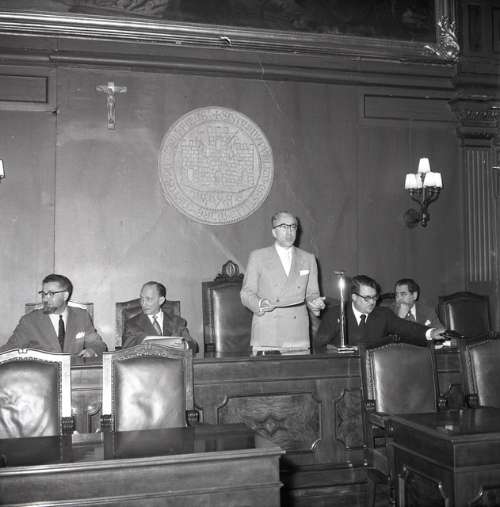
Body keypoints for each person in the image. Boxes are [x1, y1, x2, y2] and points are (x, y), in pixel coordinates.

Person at [240, 211, 325, 355]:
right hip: (268, 332)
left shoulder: (309, 259)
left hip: (297, 333)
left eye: (293, 227)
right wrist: (260, 303)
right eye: (284, 227)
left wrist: (315, 303)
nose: (289, 231)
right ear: (274, 232)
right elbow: (246, 294)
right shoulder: (258, 257)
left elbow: (312, 294)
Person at [315, 274, 445, 351]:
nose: (372, 302)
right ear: (354, 297)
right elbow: (320, 346)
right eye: (367, 298)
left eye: (374, 297)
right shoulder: (335, 314)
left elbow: (407, 328)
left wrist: (431, 332)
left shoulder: (383, 314)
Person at [2, 273, 106, 357]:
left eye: (51, 294)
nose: (45, 299)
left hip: (73, 373)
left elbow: (98, 344)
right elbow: (10, 349)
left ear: (65, 295)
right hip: (42, 374)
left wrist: (91, 351)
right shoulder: (29, 321)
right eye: (43, 294)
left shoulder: (81, 316)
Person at [122, 281, 198, 352]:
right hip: (145, 361)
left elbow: (194, 346)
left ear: (161, 300)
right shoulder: (131, 324)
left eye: (148, 299)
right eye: (142, 298)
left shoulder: (177, 322)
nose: (143, 303)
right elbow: (125, 351)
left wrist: (185, 345)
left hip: (172, 361)